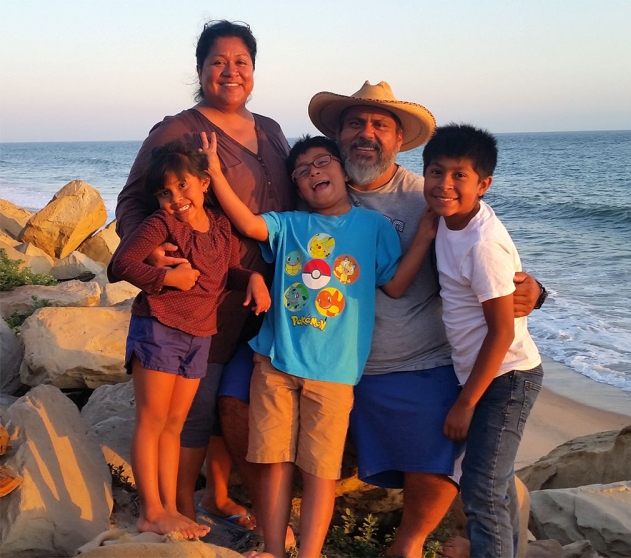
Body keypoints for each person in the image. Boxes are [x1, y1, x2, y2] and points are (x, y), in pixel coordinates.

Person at [308, 81, 546, 558]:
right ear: (337, 133)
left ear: (399, 141)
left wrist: (538, 292)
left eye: (380, 124)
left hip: (444, 363)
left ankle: (412, 544)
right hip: (325, 356)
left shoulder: (431, 199)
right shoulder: (314, 187)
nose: (366, 133)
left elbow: (497, 268)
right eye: (355, 122)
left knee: (473, 472)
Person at [202, 131, 437, 558]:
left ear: (343, 171)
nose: (314, 172)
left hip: (335, 372)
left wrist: (423, 236)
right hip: (275, 363)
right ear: (298, 187)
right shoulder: (290, 223)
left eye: (322, 162)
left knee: (320, 472)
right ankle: (274, 549)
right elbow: (248, 223)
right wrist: (216, 172)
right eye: (303, 170)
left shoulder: (374, 227)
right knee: (274, 463)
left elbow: (397, 285)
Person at [114, 20, 296, 538]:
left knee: (232, 398)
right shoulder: (179, 130)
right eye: (218, 61)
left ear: (254, 71)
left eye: (241, 62)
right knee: (194, 405)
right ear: (200, 70)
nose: (230, 71)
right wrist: (160, 258)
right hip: (204, 295)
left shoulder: (272, 130)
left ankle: (217, 495)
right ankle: (179, 507)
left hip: (264, 291)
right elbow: (132, 200)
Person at [109, 140, 270, 538]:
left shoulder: (219, 225)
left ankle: (167, 509)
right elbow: (119, 265)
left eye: (183, 186)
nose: (175, 198)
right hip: (160, 327)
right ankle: (151, 511)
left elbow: (222, 273)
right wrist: (166, 278)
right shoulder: (162, 225)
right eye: (165, 192)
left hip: (201, 334)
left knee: (175, 425)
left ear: (203, 183)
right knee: (152, 420)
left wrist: (250, 277)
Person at [422, 124, 542, 557]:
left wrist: (465, 403)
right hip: (488, 374)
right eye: (436, 172)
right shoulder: (447, 223)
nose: (445, 185)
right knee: (495, 483)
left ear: (484, 184)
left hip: (507, 377)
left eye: (460, 176)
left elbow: (502, 331)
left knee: (482, 486)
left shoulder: (483, 243)